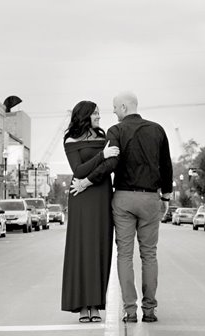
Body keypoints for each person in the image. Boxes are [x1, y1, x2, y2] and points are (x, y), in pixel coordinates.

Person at [70, 92, 173, 323]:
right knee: (149, 255)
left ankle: (129, 311)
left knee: (124, 255)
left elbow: (111, 163)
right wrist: (165, 197)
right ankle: (149, 310)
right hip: (150, 199)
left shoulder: (116, 131)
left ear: (124, 107)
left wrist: (87, 181)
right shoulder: (157, 130)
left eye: (115, 108)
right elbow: (166, 165)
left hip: (124, 199)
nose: (114, 112)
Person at [61, 100, 120, 323]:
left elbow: (110, 164)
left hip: (102, 195)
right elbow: (78, 170)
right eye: (95, 113)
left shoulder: (104, 137)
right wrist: (101, 156)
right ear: (84, 116)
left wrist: (104, 158)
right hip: (81, 197)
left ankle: (96, 305)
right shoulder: (71, 140)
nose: (99, 117)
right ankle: (82, 305)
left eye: (98, 113)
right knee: (81, 249)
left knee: (100, 249)